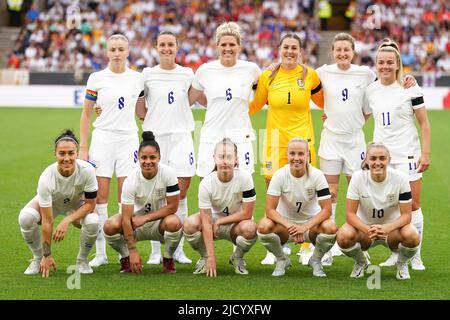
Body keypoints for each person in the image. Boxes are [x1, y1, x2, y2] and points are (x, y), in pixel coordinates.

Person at [316, 33, 416, 265]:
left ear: (353, 52)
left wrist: (408, 78)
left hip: (355, 142)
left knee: (358, 191)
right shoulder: (322, 72)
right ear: (332, 51)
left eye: (346, 50)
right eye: (338, 50)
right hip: (330, 140)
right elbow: (301, 75)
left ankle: (362, 239)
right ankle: (329, 246)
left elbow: (385, 84)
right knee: (330, 193)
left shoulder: (365, 73)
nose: (342, 53)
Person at [249, 33, 324, 265]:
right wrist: (251, 84)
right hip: (273, 142)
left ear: (300, 51)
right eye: (286, 48)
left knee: (307, 192)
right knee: (274, 194)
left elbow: (325, 102)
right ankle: (276, 247)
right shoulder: (267, 77)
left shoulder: (310, 76)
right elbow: (252, 106)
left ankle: (306, 244)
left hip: (303, 143)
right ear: (279, 50)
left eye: (294, 48)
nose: (290, 52)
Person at [365, 40, 430, 271]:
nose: (384, 66)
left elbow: (424, 124)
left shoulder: (410, 86)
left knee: (412, 204)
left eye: (389, 62)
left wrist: (425, 152)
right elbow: (362, 116)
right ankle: (395, 252)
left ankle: (416, 255)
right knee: (391, 206)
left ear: (397, 64)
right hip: (382, 158)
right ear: (376, 64)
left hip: (408, 154)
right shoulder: (371, 89)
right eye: (381, 62)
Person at [79, 34, 144, 268]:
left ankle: (123, 249)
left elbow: (142, 110)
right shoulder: (96, 78)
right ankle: (100, 253)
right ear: (107, 52)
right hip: (103, 139)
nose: (117, 53)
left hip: (128, 139)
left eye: (121, 49)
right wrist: (83, 147)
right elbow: (86, 113)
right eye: (113, 49)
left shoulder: (138, 78)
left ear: (128, 52)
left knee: (125, 197)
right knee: (99, 197)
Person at [137, 31, 201, 266]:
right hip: (156, 139)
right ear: (155, 47)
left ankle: (177, 249)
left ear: (177, 47)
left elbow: (197, 98)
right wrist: (149, 121)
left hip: (182, 137)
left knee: (181, 195)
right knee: (155, 195)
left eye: (170, 44)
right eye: (162, 44)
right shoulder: (147, 74)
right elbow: (138, 103)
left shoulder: (187, 74)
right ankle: (156, 250)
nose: (166, 48)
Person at [18, 129, 99, 277]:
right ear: (55, 154)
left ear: (77, 153)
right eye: (62, 153)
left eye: (71, 153)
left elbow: (90, 205)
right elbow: (48, 221)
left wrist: (67, 220)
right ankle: (38, 258)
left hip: (77, 204)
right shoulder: (46, 177)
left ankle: (82, 260)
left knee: (93, 221)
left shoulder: (87, 170)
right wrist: (47, 255)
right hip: (52, 205)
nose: (67, 158)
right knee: (26, 217)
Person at [336, 142, 421, 280]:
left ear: (389, 160)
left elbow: (406, 216)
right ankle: (361, 262)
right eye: (373, 158)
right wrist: (368, 229)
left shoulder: (400, 178)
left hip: (392, 231)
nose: (377, 162)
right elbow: (350, 215)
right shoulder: (358, 177)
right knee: (343, 236)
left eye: (382, 158)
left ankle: (402, 263)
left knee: (412, 235)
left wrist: (387, 228)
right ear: (366, 160)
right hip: (365, 232)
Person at [103, 131, 183, 274]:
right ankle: (126, 257)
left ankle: (168, 258)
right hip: (134, 225)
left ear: (159, 157)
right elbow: (126, 218)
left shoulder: (169, 174)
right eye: (144, 157)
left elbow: (173, 206)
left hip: (158, 223)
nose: (148, 161)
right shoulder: (131, 180)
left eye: (152, 157)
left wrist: (145, 218)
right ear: (138, 158)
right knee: (110, 226)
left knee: (175, 222)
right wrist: (132, 251)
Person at [189, 21, 261, 178]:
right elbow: (190, 98)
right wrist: (210, 103)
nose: (228, 48)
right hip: (211, 135)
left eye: (232, 44)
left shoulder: (251, 69)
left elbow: (265, 92)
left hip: (241, 136)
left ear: (239, 46)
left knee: (243, 187)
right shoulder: (205, 70)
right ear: (217, 46)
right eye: (223, 44)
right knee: (207, 187)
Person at [257, 137, 337, 277]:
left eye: (301, 154)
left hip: (310, 227)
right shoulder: (279, 175)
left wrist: (304, 227)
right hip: (285, 227)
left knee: (331, 227)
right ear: (287, 155)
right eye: (292, 154)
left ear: (308, 155)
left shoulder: (317, 175)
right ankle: (282, 259)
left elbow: (327, 210)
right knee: (263, 226)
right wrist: (290, 226)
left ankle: (316, 260)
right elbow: (269, 210)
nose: (296, 158)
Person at [183, 138, 258, 277]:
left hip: (237, 223)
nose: (225, 161)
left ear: (236, 159)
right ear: (214, 158)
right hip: (212, 223)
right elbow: (206, 222)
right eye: (221, 157)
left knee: (251, 228)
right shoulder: (206, 183)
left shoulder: (245, 178)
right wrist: (211, 257)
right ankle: (204, 258)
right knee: (189, 224)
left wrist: (220, 222)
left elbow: (247, 213)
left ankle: (237, 257)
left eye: (229, 157)